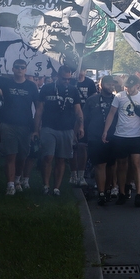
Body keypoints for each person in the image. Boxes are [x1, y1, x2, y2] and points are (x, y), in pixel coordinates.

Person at [0, 60, 37, 195]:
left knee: (22, 156)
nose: (20, 70)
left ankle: (17, 180)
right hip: (7, 124)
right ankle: (10, 185)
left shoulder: (31, 86)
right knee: (10, 155)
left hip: (25, 125)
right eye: (17, 67)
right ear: (13, 69)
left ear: (26, 70)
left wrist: (36, 128)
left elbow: (38, 106)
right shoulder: (6, 82)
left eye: (22, 67)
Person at [34, 65, 84, 196]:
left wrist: (81, 126)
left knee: (61, 159)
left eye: (69, 79)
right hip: (48, 127)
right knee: (48, 157)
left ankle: (56, 187)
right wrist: (36, 129)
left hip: (67, 129)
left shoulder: (73, 90)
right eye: (64, 79)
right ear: (57, 76)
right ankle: (46, 185)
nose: (67, 81)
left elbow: (78, 110)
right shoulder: (47, 88)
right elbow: (39, 110)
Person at [102, 75, 140, 207]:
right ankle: (122, 192)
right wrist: (106, 130)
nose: (128, 89)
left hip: (136, 135)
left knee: (136, 163)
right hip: (120, 135)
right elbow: (111, 113)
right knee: (121, 164)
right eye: (127, 87)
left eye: (131, 87)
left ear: (138, 86)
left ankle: (139, 194)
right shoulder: (119, 97)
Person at [85, 76, 118, 205]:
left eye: (112, 84)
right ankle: (101, 192)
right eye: (108, 83)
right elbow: (85, 118)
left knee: (111, 165)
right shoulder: (92, 100)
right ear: (101, 84)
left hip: (114, 136)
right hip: (95, 136)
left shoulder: (117, 100)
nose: (111, 86)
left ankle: (109, 188)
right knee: (100, 165)